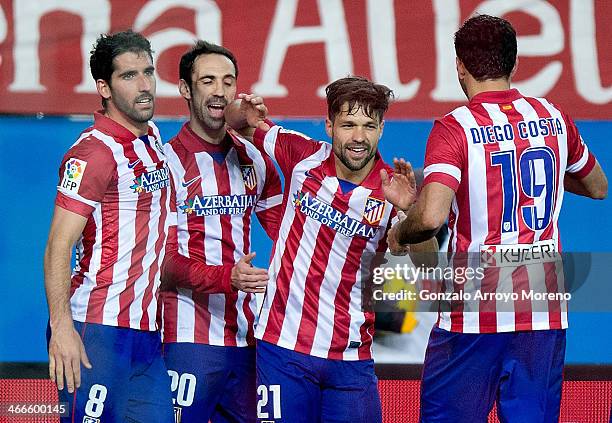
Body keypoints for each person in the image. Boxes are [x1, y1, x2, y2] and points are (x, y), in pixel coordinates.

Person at [389, 14, 608, 422]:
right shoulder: (553, 117)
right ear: (514, 63)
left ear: (459, 66)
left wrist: (401, 232)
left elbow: (433, 215)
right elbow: (597, 186)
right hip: (541, 313)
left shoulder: (455, 128)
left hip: (473, 315)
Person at [226, 76, 436, 423]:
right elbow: (241, 125)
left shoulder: (391, 189)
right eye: (348, 124)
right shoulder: (301, 155)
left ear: (382, 129)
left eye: (369, 125)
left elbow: (429, 263)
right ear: (329, 125)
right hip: (283, 349)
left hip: (350, 361)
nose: (358, 137)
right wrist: (244, 110)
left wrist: (410, 211)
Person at [44, 30, 174, 422]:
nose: (145, 85)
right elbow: (57, 247)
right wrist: (62, 328)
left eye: (148, 72)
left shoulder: (150, 136)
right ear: (103, 86)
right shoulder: (93, 153)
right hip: (95, 332)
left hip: (146, 335)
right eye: (129, 76)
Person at [158, 40, 282, 422]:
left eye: (228, 81)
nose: (220, 91)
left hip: (247, 341)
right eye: (208, 80)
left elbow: (292, 233)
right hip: (186, 341)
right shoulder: (165, 163)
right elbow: (159, 261)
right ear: (185, 89)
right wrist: (226, 276)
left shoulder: (253, 158)